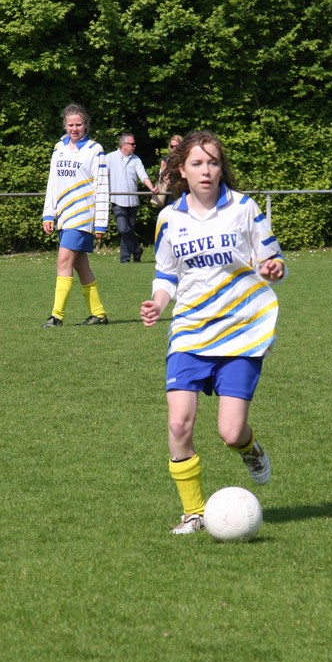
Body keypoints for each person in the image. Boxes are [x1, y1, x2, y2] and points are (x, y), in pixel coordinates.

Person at [139, 130, 287, 534]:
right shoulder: (169, 219)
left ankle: (249, 448)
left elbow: (272, 258)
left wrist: (273, 268)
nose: (206, 170)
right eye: (197, 163)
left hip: (242, 330)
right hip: (190, 330)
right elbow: (166, 275)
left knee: (230, 432)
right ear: (181, 171)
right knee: (178, 424)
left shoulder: (244, 208)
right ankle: (193, 513)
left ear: (222, 168)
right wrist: (158, 303)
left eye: (213, 162)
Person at [40, 103, 111, 327]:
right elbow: (53, 182)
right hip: (64, 216)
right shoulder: (58, 148)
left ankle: (56, 316)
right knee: (81, 265)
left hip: (82, 217)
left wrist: (100, 223)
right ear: (65, 125)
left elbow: (102, 186)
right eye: (70, 125)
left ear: (85, 125)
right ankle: (98, 314)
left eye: (78, 124)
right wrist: (48, 214)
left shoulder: (95, 149)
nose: (74, 129)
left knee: (63, 260)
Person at [106, 132, 156, 263]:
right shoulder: (110, 158)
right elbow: (101, 175)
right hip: (118, 201)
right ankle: (137, 250)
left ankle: (125, 259)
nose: (134, 146)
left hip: (133, 201)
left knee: (128, 231)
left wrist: (151, 187)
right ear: (124, 145)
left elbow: (143, 175)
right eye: (132, 144)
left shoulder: (136, 159)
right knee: (123, 229)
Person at [150, 134, 183, 209]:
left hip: (182, 191)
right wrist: (164, 175)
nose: (174, 148)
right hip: (169, 192)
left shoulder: (185, 158)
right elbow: (162, 176)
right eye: (172, 146)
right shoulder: (166, 159)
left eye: (176, 146)